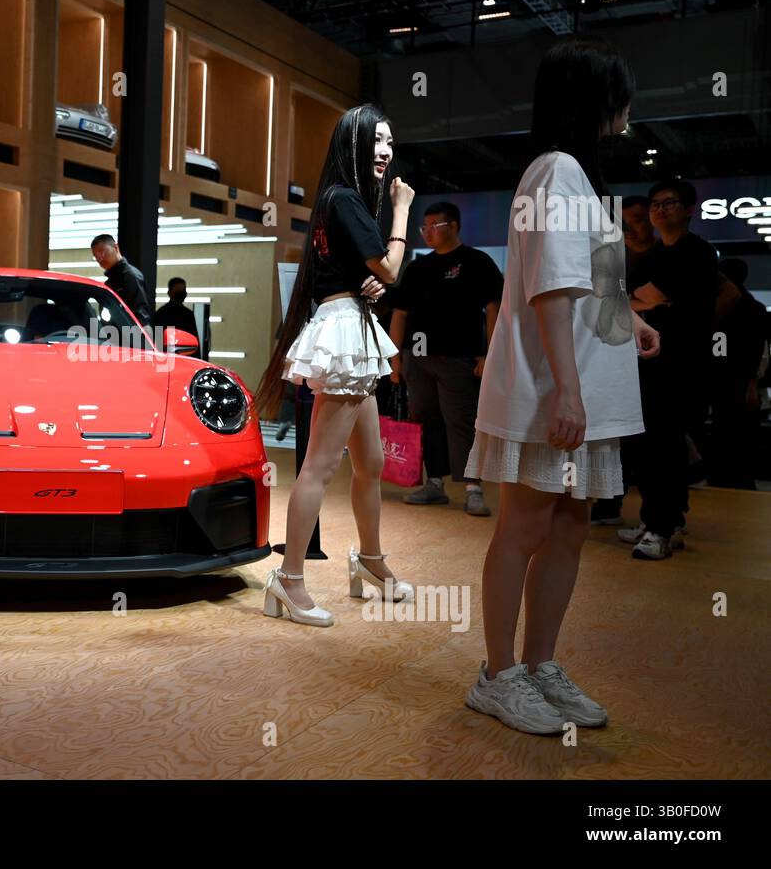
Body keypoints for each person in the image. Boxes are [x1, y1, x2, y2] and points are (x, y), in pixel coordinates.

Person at [462, 38, 660, 734]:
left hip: (580, 386)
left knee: (570, 526)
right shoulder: (555, 171)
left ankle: (540, 665)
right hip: (554, 389)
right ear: (593, 99)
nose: (626, 111)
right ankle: (497, 675)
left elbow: (592, 282)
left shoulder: (574, 175)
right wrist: (569, 392)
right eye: (618, 96)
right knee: (526, 525)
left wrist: (627, 318)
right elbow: (551, 288)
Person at [253, 103, 414, 627]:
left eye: (391, 141)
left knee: (370, 464)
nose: (386, 152)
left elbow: (375, 275)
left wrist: (371, 281)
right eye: (377, 140)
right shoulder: (345, 199)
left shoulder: (339, 201)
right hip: (345, 332)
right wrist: (403, 209)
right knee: (320, 466)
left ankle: (370, 561)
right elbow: (390, 267)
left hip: (351, 326)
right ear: (354, 143)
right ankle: (289, 579)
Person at [617, 179, 719, 560]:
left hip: (683, 364)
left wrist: (646, 301)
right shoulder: (658, 254)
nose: (659, 210)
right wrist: (646, 301)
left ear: (689, 210)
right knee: (648, 445)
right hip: (649, 361)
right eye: (656, 204)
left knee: (667, 445)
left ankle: (663, 527)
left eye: (669, 203)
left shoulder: (699, 252)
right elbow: (634, 299)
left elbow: (645, 297)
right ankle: (660, 520)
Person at [389, 201, 503, 516]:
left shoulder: (477, 262)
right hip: (418, 357)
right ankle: (434, 483)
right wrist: (394, 356)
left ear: (453, 226)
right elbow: (400, 313)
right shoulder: (417, 268)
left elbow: (494, 309)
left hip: (460, 357)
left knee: (461, 420)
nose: (427, 233)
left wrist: (490, 353)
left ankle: (473, 487)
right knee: (426, 419)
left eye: (434, 226)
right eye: (423, 227)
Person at [589, 192, 656, 526]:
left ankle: (658, 520)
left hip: (655, 361)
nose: (630, 227)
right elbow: (610, 298)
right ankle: (609, 502)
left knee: (653, 441)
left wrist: (631, 303)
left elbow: (621, 299)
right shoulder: (614, 257)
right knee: (617, 437)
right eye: (624, 221)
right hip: (612, 360)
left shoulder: (665, 255)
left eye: (638, 220)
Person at [705, 259, 770, 489]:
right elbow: (760, 350)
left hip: (723, 377)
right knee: (740, 431)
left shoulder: (720, 306)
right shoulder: (755, 309)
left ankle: (722, 474)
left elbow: (717, 346)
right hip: (743, 379)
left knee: (722, 428)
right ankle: (740, 474)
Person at [90, 234, 152, 326]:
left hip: (135, 334)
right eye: (96, 255)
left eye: (102, 252)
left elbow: (140, 316)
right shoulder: (110, 282)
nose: (99, 258)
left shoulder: (131, 275)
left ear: (116, 247)